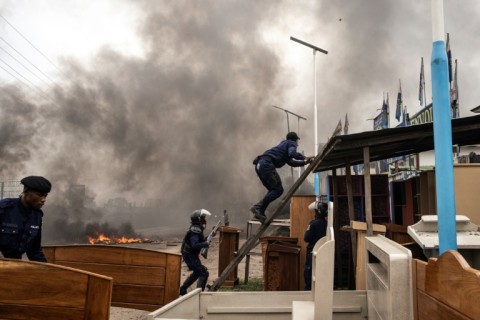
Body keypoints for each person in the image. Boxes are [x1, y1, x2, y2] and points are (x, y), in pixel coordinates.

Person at [251, 132, 314, 223]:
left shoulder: (283, 147)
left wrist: (304, 162)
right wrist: (305, 157)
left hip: (259, 165)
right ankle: (257, 208)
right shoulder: (291, 143)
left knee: (273, 191)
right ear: (294, 140)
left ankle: (260, 211)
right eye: (297, 141)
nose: (297, 143)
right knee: (278, 190)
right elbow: (292, 153)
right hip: (266, 165)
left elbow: (292, 162)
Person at [0, 176, 52, 262]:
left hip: (14, 265)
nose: (43, 200)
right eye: (39, 195)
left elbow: (34, 251)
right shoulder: (4, 209)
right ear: (26, 192)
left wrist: (46, 270)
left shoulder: (37, 216)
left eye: (45, 196)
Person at [179, 209, 213, 295]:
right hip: (189, 255)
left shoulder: (196, 228)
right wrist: (205, 244)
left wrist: (210, 236)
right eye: (203, 217)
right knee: (203, 273)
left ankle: (183, 289)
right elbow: (195, 245)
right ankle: (198, 294)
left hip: (190, 254)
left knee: (198, 272)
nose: (205, 219)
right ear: (198, 219)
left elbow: (200, 240)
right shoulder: (195, 229)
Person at [303, 201, 328, 290]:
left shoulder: (313, 224)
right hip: (324, 252)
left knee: (309, 274)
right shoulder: (327, 225)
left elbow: (306, 238)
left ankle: (309, 292)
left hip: (312, 252)